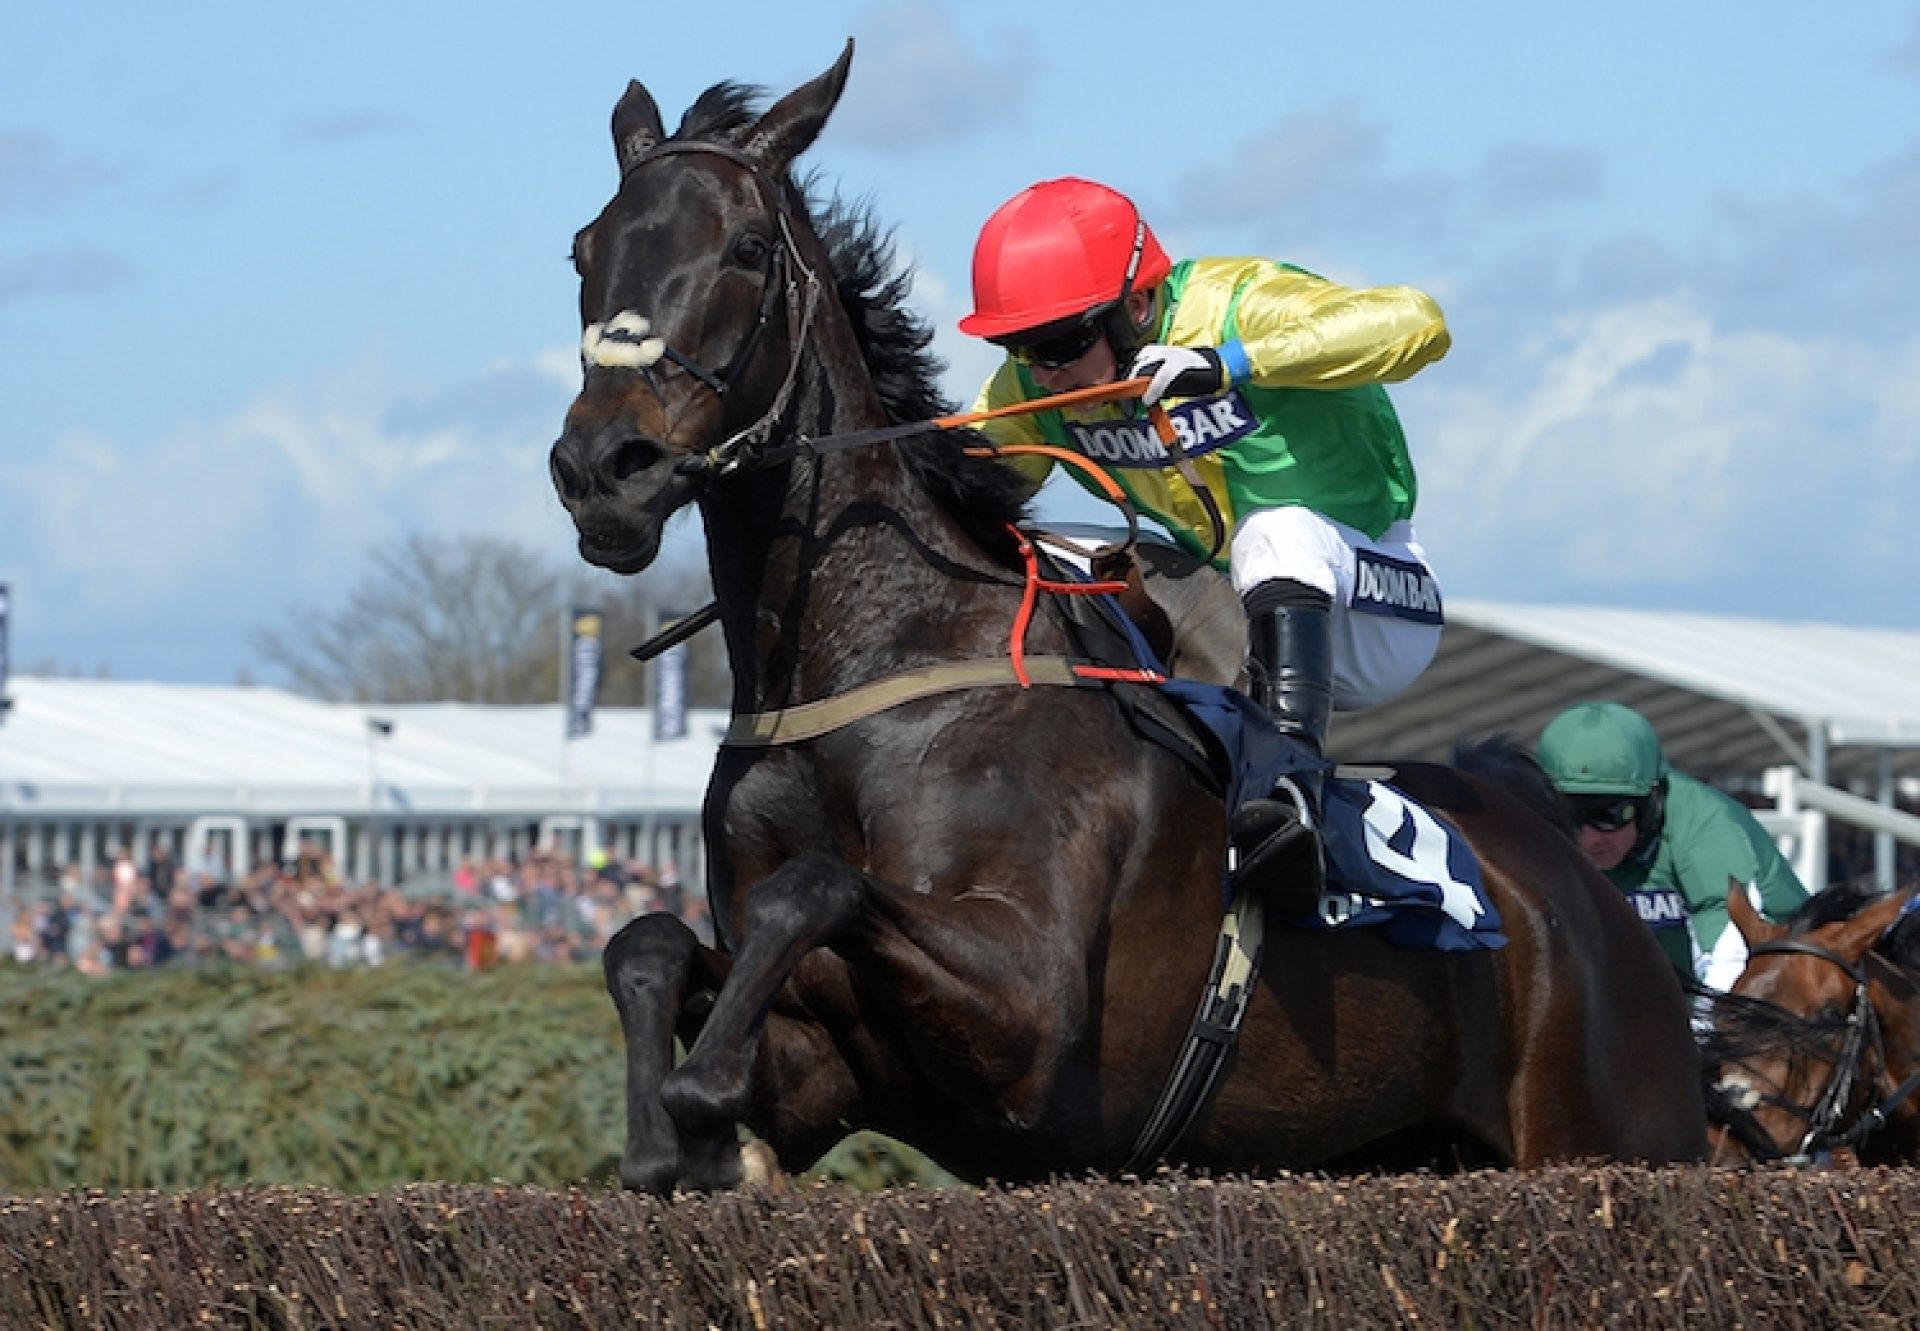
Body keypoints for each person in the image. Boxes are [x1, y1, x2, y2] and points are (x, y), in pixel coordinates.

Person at [958, 176, 1452, 890]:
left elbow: (1419, 323)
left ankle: (1289, 796)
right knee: (1052, 547)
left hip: (1374, 602)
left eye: (1063, 340)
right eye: (1019, 347)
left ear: (1135, 305)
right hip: (1230, 610)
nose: (1045, 370)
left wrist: (1230, 364)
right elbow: (960, 480)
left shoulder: (1237, 299)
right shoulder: (1037, 383)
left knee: (1275, 532)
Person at [1537, 701, 1810, 991]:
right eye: (1570, 815)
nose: (1589, 839)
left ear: (1652, 803)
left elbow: (1729, 951)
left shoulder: (1706, 826)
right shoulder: (1540, 826)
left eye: (1611, 816)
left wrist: (1706, 1031)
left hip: (1768, 989)